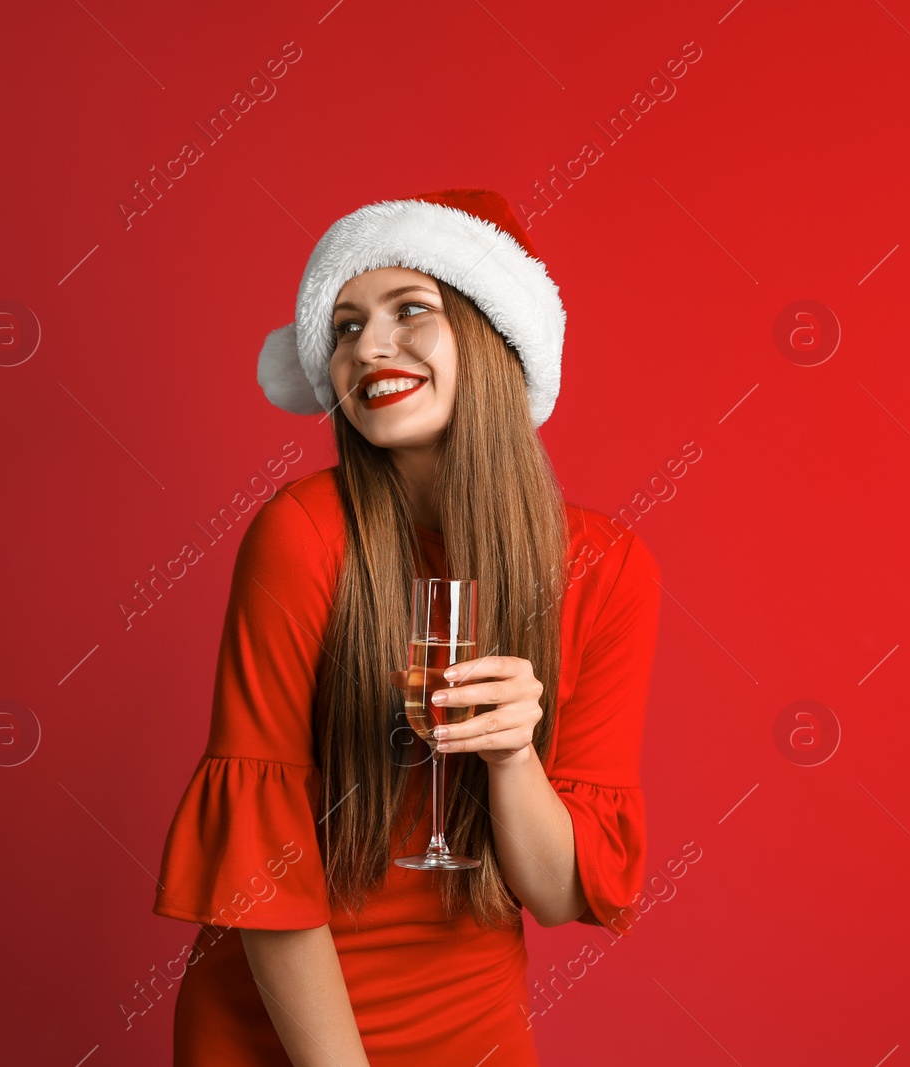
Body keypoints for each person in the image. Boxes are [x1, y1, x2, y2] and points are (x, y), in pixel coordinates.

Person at [151, 188, 662, 1065]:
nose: (368, 348)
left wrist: (512, 758)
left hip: (474, 1024)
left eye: (409, 310)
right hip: (285, 1026)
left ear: (496, 334)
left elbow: (557, 891)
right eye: (344, 327)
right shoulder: (302, 535)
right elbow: (260, 863)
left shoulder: (608, 570)